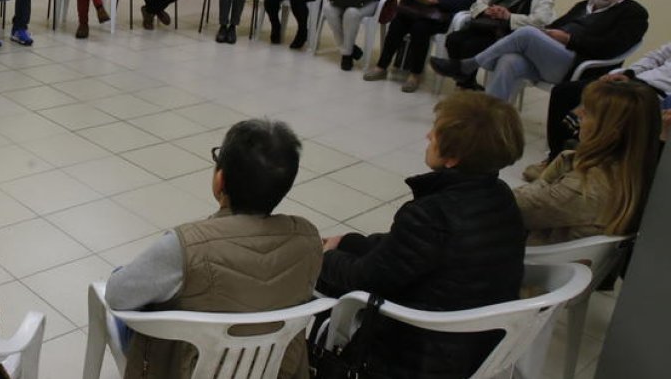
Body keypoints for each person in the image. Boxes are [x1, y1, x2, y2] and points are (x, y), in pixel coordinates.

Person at [318, 92, 526, 379]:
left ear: (453, 158)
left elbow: (365, 279)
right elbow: (412, 254)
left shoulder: (431, 214)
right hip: (479, 341)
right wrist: (350, 242)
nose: (428, 135)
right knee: (345, 250)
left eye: (435, 133)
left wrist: (325, 255)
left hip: (419, 349)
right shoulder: (501, 198)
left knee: (316, 276)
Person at [106, 119, 321, 379]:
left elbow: (117, 296)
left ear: (220, 180)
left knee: (122, 279)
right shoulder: (308, 240)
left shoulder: (185, 246)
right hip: (271, 369)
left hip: (187, 369)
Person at [430, 0, 649, 102]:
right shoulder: (585, 4)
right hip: (551, 57)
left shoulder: (634, 14)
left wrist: (570, 39)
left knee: (527, 33)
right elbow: (558, 24)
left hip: (577, 65)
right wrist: (549, 34)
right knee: (509, 59)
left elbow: (613, 47)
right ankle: (488, 120)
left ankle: (468, 65)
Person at [514, 80, 660, 245]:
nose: (579, 113)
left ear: (610, 133)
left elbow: (506, 208)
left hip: (537, 259)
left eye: (589, 112)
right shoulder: (644, 175)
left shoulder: (581, 189)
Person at [538, 41, 671, 175]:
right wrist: (628, 73)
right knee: (563, 92)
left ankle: (582, 166)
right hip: (637, 82)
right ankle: (555, 158)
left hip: (659, 95)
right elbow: (655, 58)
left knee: (602, 111)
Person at [441, 0, 558, 88]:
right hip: (485, 27)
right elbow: (480, 0)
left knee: (470, 45)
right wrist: (487, 10)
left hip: (506, 37)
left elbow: (540, 21)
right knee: (453, 39)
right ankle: (465, 80)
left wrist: (508, 16)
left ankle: (464, 79)